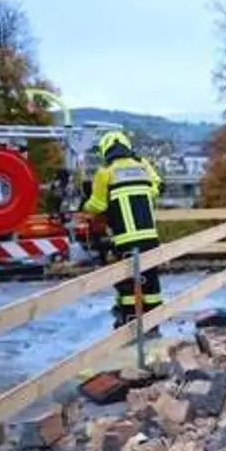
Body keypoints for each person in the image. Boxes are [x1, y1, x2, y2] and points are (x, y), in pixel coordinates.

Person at [83, 130, 164, 329]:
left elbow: (98, 205)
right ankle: (154, 323)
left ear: (106, 150)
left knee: (128, 284)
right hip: (150, 236)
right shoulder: (143, 165)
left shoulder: (105, 172)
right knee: (151, 282)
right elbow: (156, 188)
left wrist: (85, 205)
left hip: (126, 239)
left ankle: (129, 320)